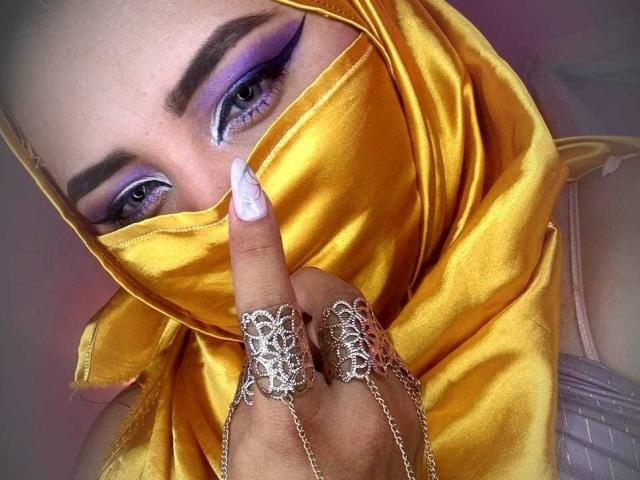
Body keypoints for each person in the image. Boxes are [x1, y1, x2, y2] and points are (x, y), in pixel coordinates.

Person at [1, 0, 637, 478]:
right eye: (136, 198)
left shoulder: (618, 255)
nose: (222, 215)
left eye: (248, 91)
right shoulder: (136, 456)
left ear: (379, 21)